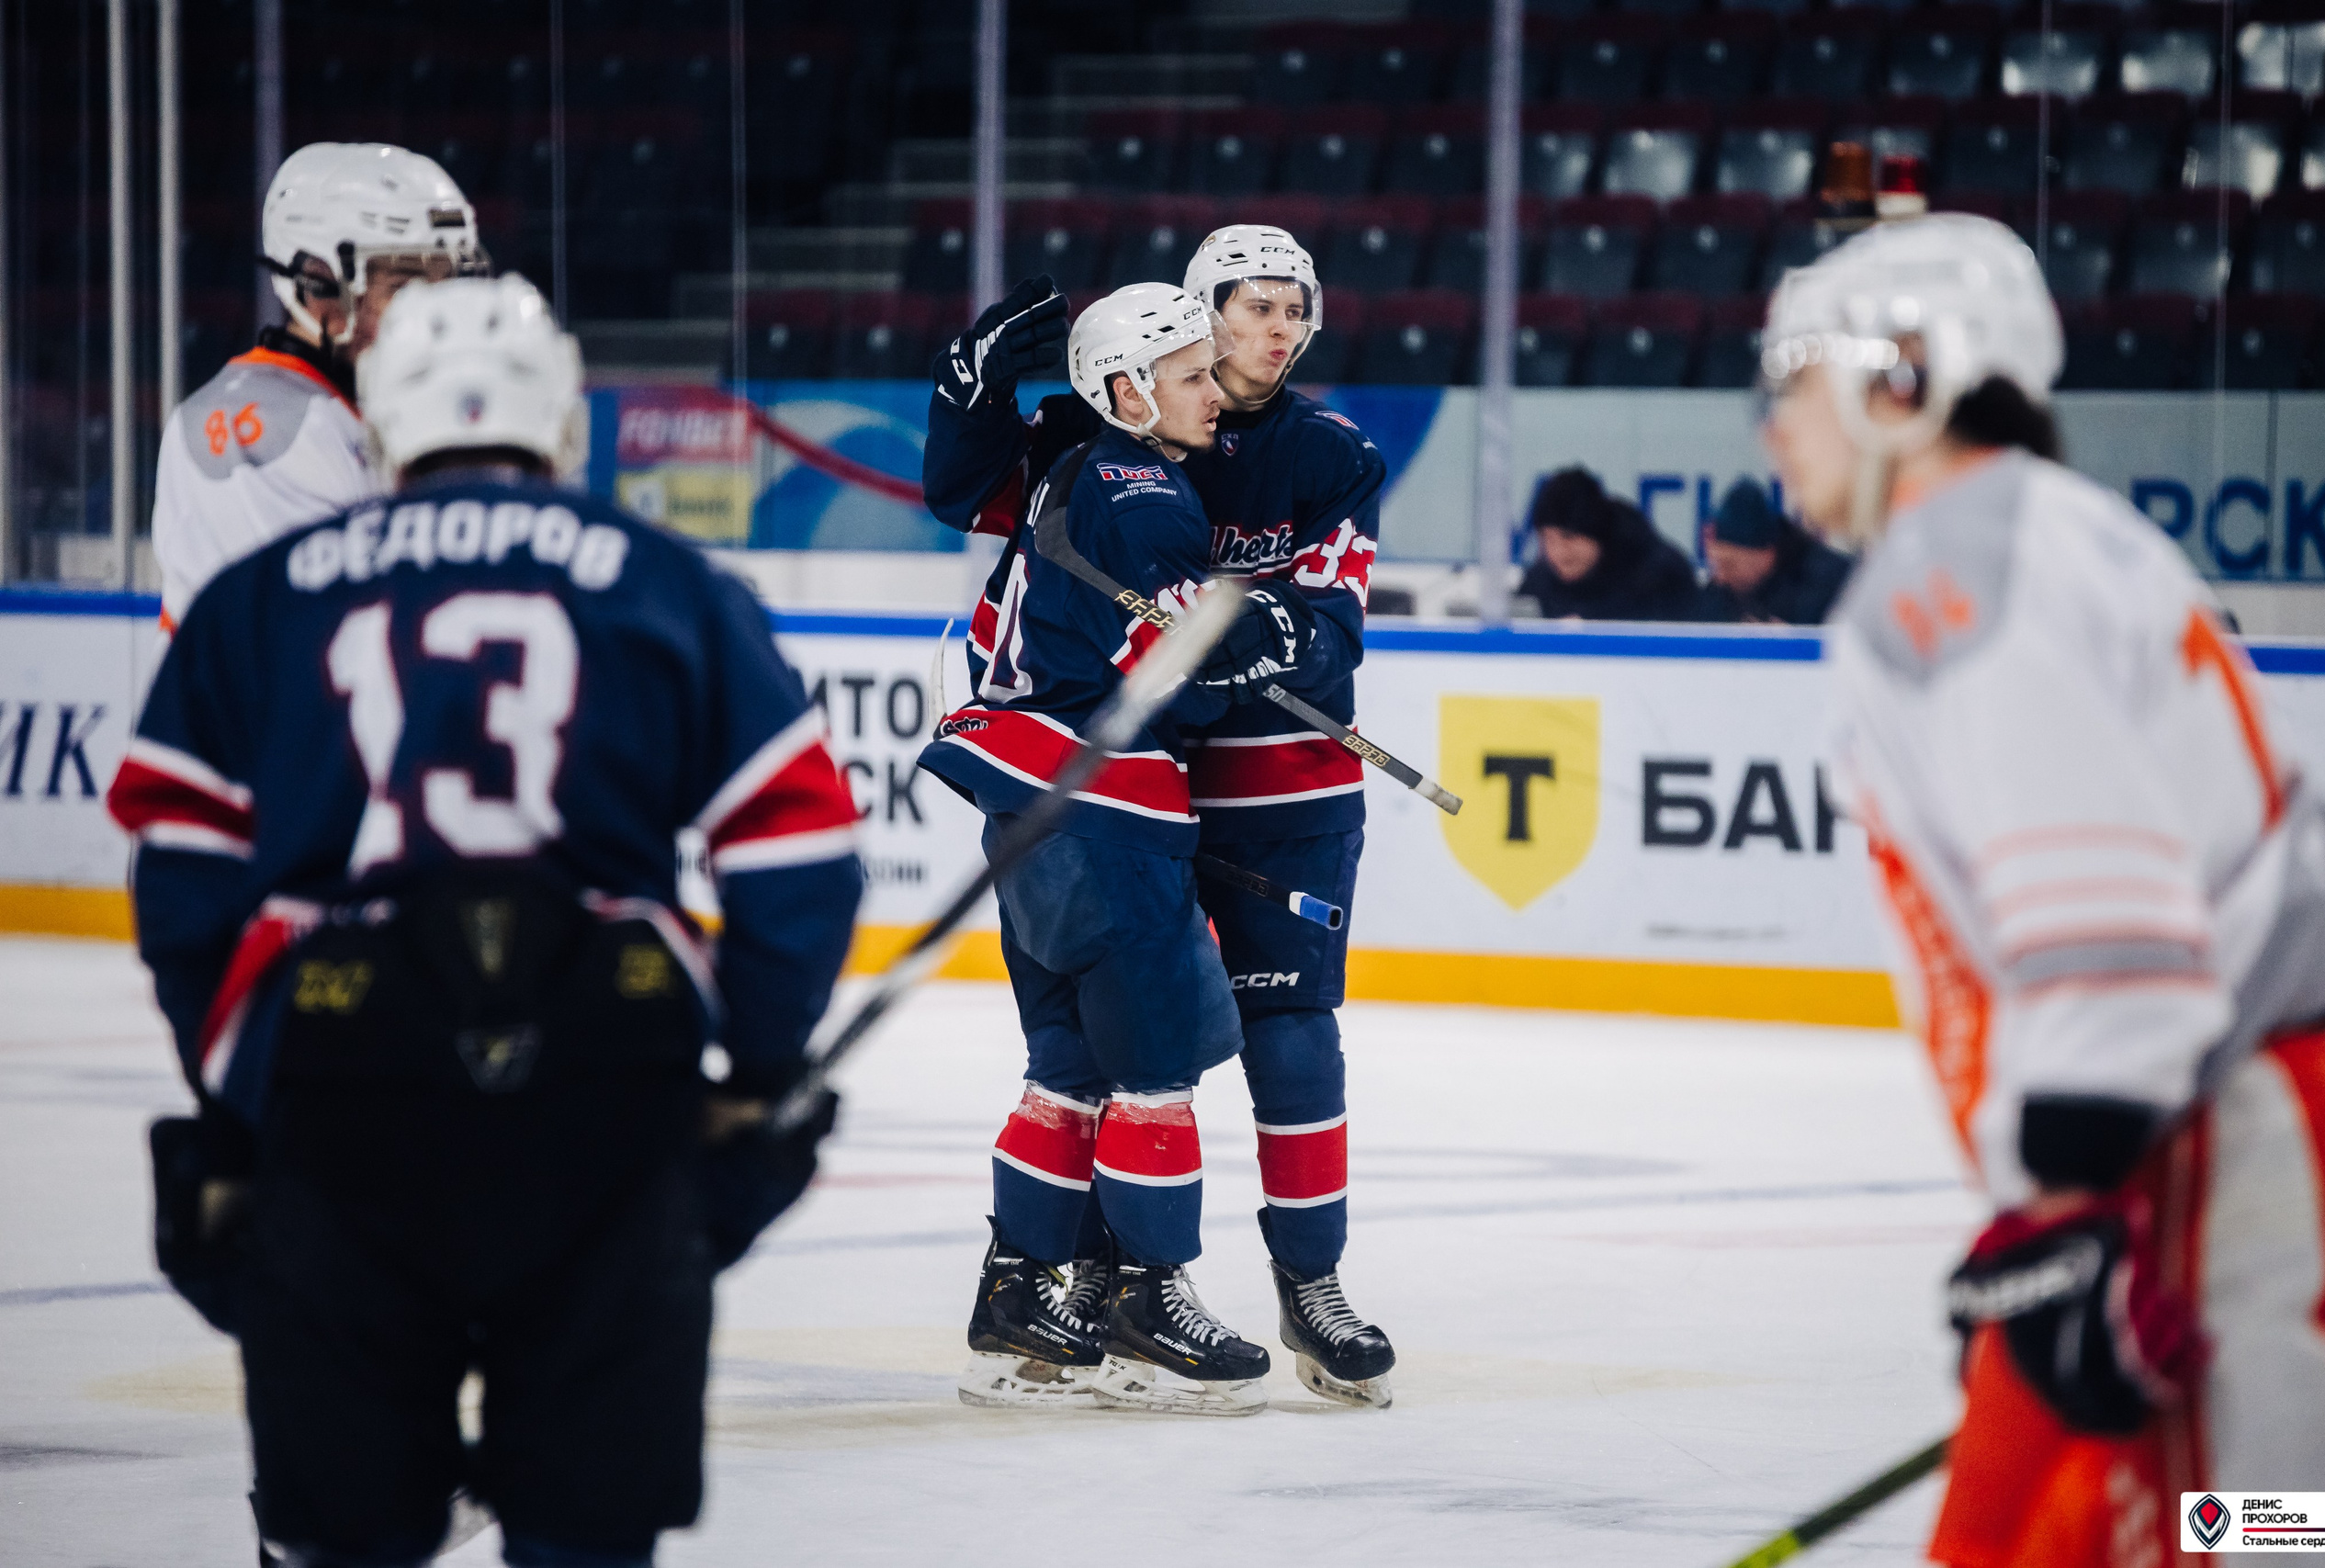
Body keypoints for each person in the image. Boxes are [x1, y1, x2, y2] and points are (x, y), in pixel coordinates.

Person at [107, 275, 863, 1567]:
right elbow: (796, 840)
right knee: (585, 1524)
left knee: (343, 1526)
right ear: (564, 421)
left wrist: (239, 1080)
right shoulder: (670, 580)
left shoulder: (262, 594)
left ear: (385, 425)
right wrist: (750, 1057)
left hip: (342, 1083)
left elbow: (181, 862)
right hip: (604, 1080)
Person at [1765, 212, 2325, 1565]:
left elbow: (2112, 922)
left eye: (1795, 381)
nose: (1774, 425)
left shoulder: (1952, 575)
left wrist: (2070, 1206)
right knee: (2232, 1524)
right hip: (2186, 1142)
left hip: (2195, 1155)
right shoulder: (2045, 539)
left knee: (2259, 1531)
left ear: (1896, 378)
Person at [923, 228, 1398, 1411]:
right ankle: (1107, 1284)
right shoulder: (1112, 443)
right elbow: (968, 498)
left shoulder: (1328, 452)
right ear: (1192, 320)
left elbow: (1329, 634)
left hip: (1264, 788)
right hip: (1134, 782)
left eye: (1297, 306)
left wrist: (1268, 644)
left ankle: (1307, 1284)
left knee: (1281, 1039)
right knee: (1126, 1050)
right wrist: (971, 401)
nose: (1276, 330)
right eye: (1249, 307)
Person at [152, 141, 488, 629]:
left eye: (445, 283)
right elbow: (307, 650)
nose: (432, 312)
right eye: (405, 287)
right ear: (318, 284)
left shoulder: (373, 409)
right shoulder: (260, 426)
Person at [1515, 467, 1698, 622]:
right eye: (1548, 539)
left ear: (1595, 532)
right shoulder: (1540, 582)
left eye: (1569, 537)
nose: (1558, 552)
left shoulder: (1660, 577)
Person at [1690, 477, 1853, 626]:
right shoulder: (1717, 595)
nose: (1721, 577)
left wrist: (1793, 645)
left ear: (1767, 554)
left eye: (1729, 564)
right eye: (1716, 564)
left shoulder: (1831, 584)